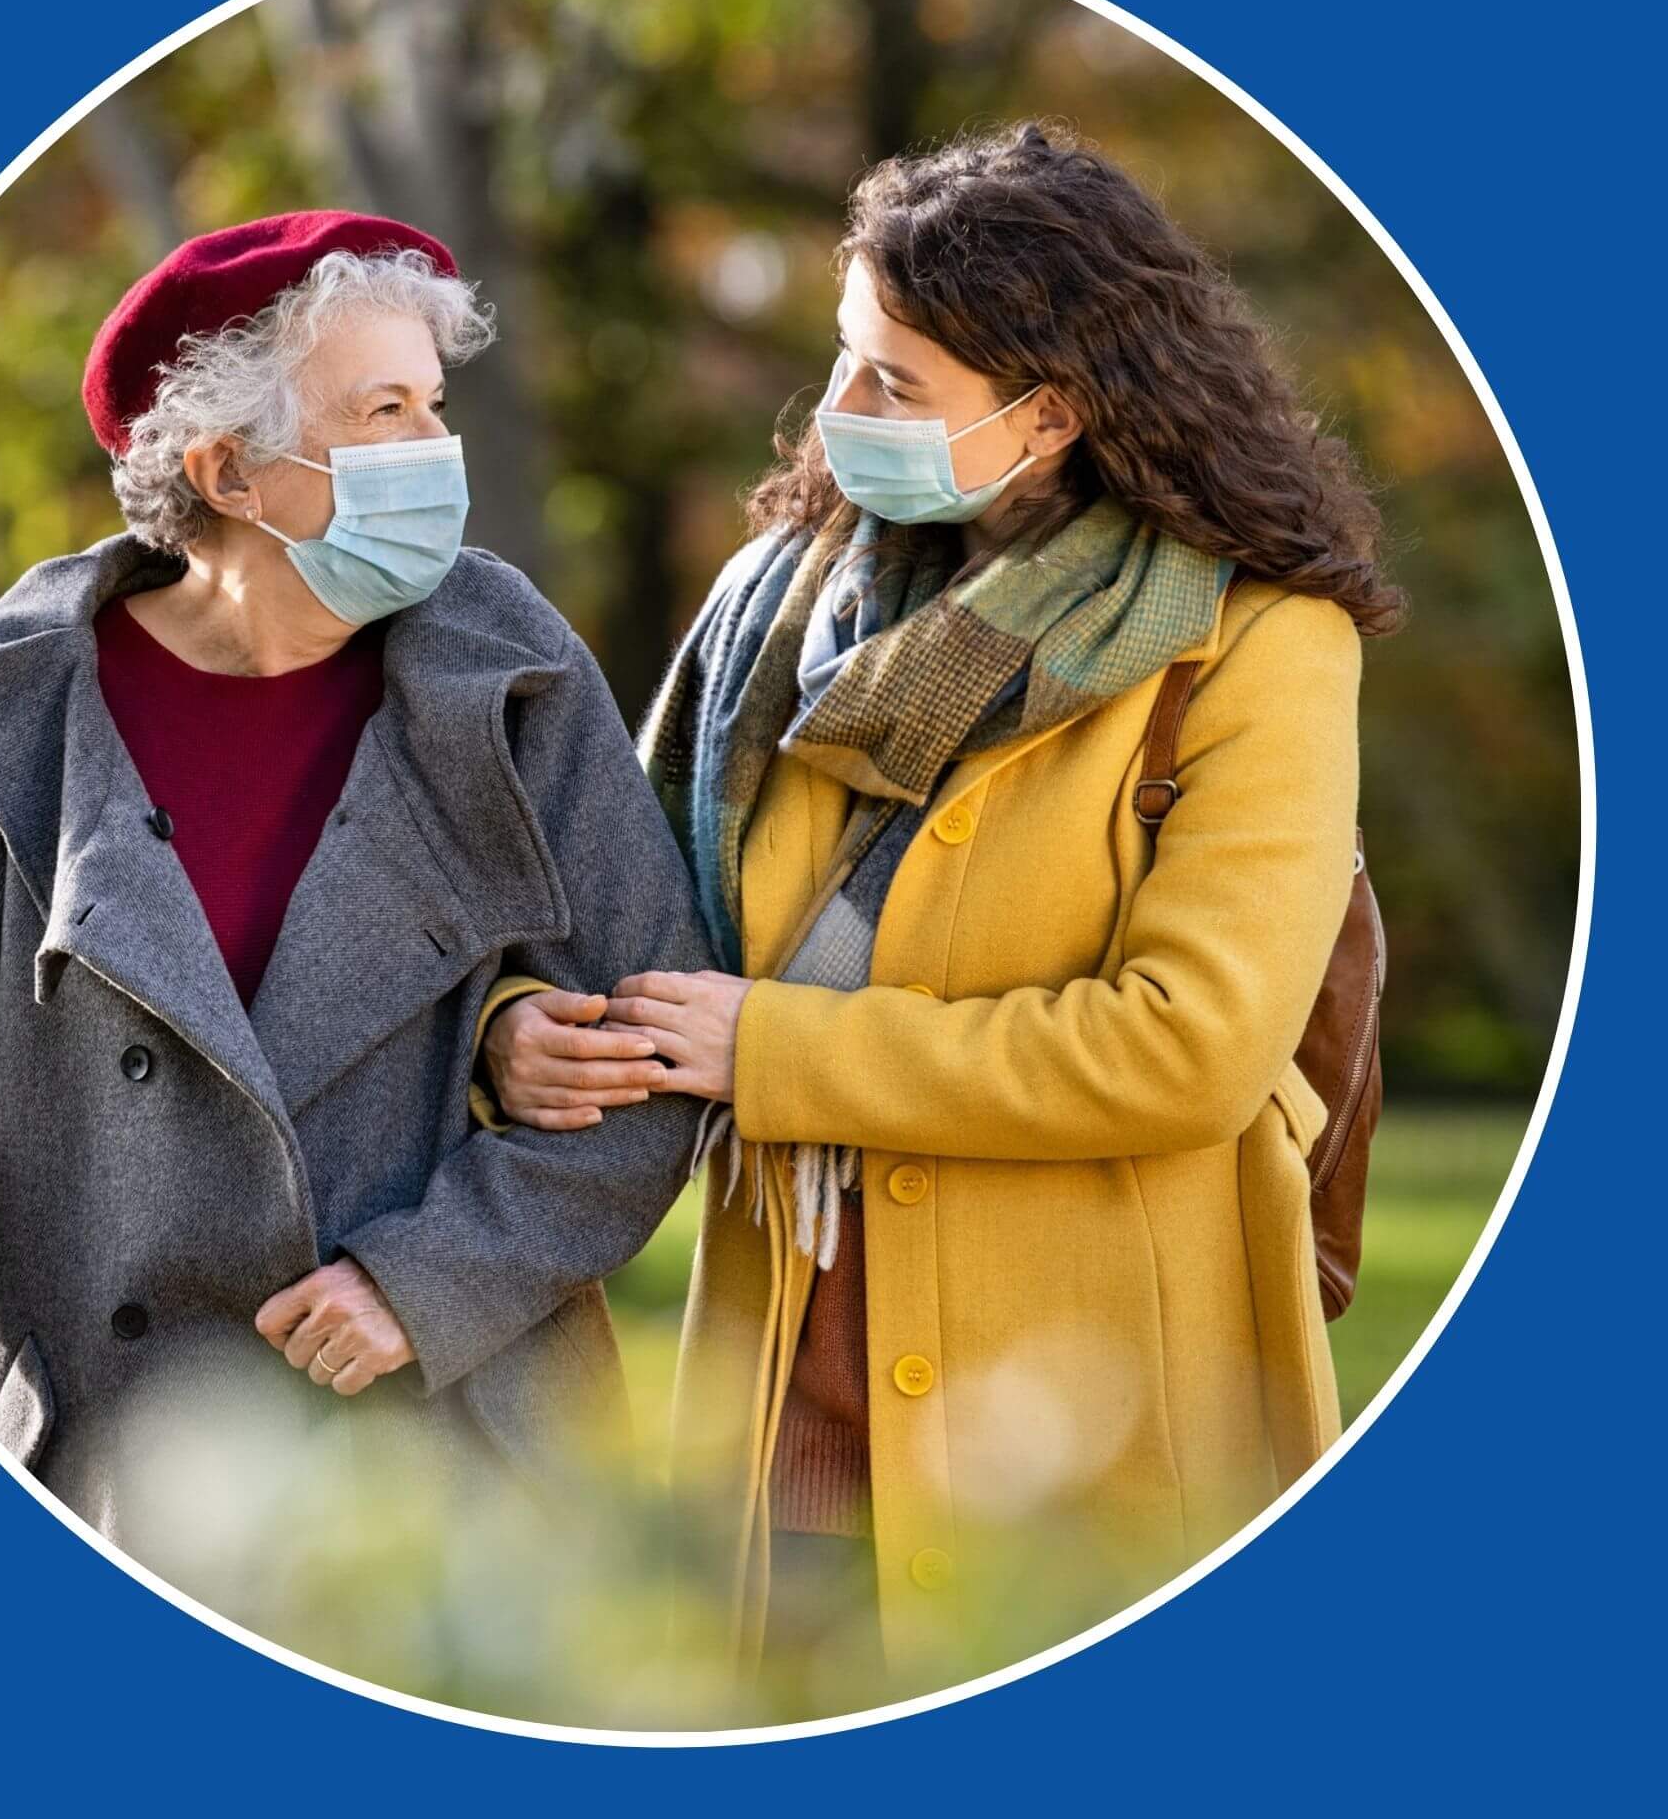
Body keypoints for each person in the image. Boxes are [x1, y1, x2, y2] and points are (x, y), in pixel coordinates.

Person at [478, 122, 1404, 1702]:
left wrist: (778, 1053)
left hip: (1094, 1415)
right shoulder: (782, 617)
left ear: (1048, 417)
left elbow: (1187, 1048)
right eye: (842, 364)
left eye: (894, 387)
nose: (838, 422)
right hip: (785, 1399)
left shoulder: (1259, 646)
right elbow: (597, 912)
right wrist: (520, 1034)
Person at [0, 210, 713, 1581]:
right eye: (382, 410)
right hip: (118, 1463)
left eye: (432, 406)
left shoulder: (511, 669)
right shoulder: (8, 707)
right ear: (228, 470)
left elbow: (658, 1043)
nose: (432, 456)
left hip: (466, 1454)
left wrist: (433, 1276)